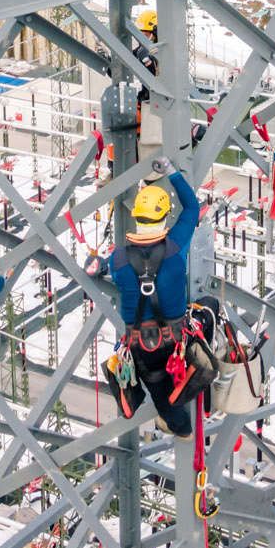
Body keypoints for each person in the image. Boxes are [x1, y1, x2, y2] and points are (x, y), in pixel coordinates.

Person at [105, 156, 216, 436]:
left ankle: (178, 423)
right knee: (211, 308)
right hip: (177, 341)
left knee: (162, 396)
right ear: (165, 215)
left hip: (141, 349)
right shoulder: (174, 248)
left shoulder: (117, 260)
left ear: (136, 217)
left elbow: (119, 274)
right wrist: (171, 172)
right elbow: (192, 208)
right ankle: (198, 395)